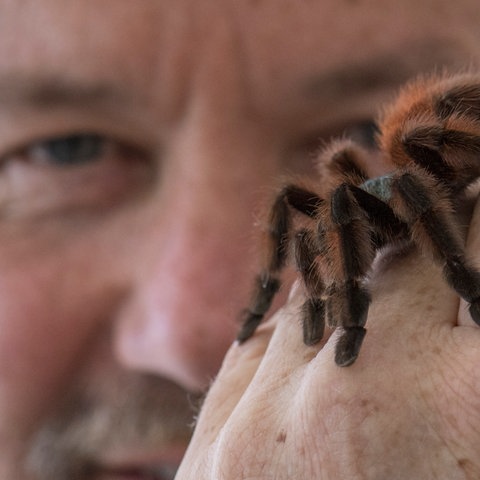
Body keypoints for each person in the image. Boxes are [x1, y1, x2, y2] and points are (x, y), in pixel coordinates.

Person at [1, 1, 480, 479]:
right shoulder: (343, 205)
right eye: (65, 152)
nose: (196, 339)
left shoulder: (415, 163)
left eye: (357, 125)